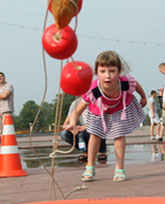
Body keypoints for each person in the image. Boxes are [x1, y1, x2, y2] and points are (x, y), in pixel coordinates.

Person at [63, 50, 147, 183]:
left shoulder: (124, 82)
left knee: (119, 134)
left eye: (112, 71)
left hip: (119, 107)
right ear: (96, 73)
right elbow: (78, 110)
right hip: (98, 110)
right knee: (95, 134)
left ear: (119, 72)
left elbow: (136, 85)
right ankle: (90, 167)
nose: (107, 76)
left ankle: (119, 168)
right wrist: (72, 122)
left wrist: (143, 97)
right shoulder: (93, 89)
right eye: (103, 71)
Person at [60, 98, 108, 162]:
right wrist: (72, 129)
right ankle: (85, 151)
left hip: (95, 127)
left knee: (84, 133)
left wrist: (86, 127)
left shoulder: (97, 101)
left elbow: (103, 119)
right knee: (64, 134)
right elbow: (66, 123)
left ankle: (101, 151)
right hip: (81, 129)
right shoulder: (75, 103)